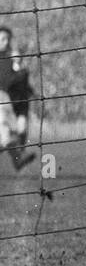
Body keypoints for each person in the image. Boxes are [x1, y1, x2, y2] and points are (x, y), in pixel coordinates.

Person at [0, 26, 38, 171]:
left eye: (7, 39)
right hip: (3, 101)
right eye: (2, 39)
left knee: (19, 132)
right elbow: (7, 82)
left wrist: (32, 93)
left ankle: (18, 157)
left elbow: (22, 83)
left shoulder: (12, 61)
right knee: (5, 131)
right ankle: (18, 158)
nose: (5, 42)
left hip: (17, 103)